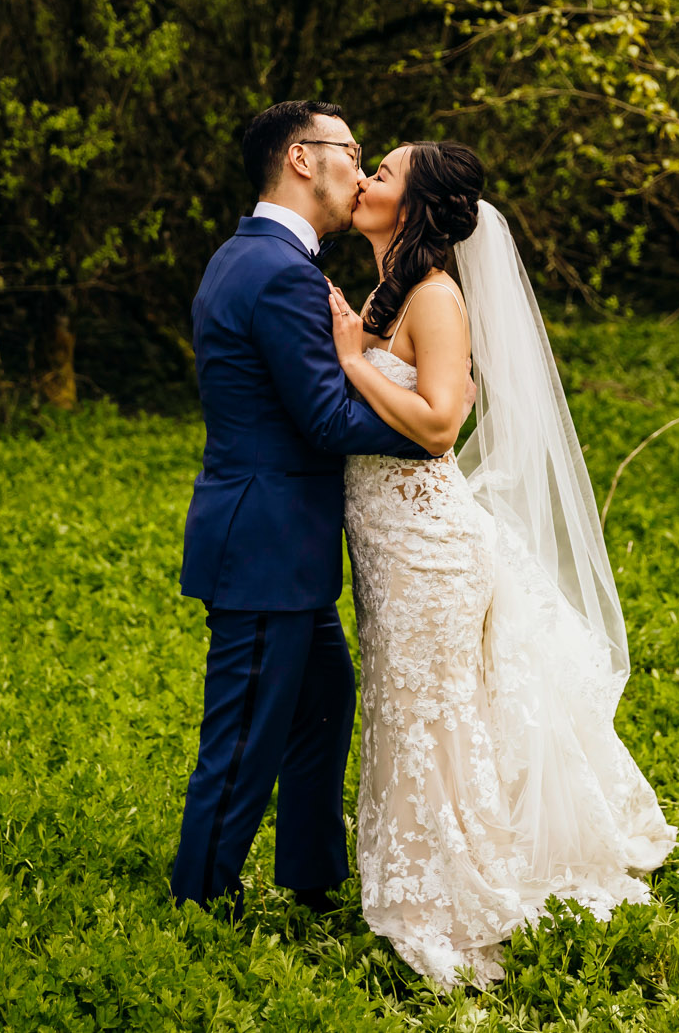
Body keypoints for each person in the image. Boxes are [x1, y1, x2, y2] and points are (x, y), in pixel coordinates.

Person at [326, 140, 676, 989]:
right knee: (409, 711)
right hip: (388, 541)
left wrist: (347, 360)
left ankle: (459, 892)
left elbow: (442, 423)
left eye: (385, 172)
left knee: (432, 716)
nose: (366, 177)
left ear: (412, 206)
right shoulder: (389, 289)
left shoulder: (436, 296)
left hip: (431, 548)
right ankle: (414, 872)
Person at [169, 101, 437, 915]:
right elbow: (324, 417)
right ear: (299, 158)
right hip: (265, 545)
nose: (359, 170)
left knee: (324, 697)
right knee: (246, 730)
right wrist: (428, 427)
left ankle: (314, 881)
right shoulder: (279, 270)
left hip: (278, 543)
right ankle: (201, 897)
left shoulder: (245, 256)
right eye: (350, 152)